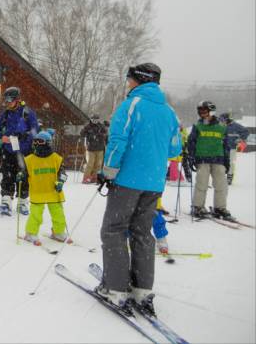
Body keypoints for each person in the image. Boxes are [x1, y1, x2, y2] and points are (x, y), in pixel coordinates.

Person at [96, 63, 181, 315]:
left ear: (140, 80)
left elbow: (118, 140)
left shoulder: (131, 106)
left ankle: (117, 290)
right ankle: (142, 290)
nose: (128, 83)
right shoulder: (169, 112)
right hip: (153, 183)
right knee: (142, 233)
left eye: (130, 78)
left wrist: (108, 171)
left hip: (127, 181)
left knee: (114, 230)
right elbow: (175, 149)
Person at [0, 86, 39, 215]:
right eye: (5, 100)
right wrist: (1, 137)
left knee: (23, 177)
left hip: (24, 151)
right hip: (9, 150)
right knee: (7, 176)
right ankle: (6, 201)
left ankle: (23, 202)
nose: (7, 103)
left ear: (17, 100)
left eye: (9, 100)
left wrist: (24, 135)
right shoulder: (5, 114)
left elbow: (35, 131)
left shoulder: (27, 113)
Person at [19, 131, 70, 245]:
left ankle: (58, 232)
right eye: (35, 141)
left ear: (48, 143)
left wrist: (60, 182)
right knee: (36, 214)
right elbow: (24, 173)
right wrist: (21, 176)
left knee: (58, 213)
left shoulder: (56, 158)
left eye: (40, 141)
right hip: (38, 192)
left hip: (53, 191)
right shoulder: (29, 159)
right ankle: (30, 233)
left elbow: (62, 173)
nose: (37, 144)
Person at [186, 101, 233, 220]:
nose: (202, 113)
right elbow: (191, 142)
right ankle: (197, 206)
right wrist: (191, 157)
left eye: (204, 111)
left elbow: (226, 144)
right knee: (202, 183)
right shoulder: (197, 126)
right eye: (200, 111)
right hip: (202, 159)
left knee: (221, 185)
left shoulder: (222, 126)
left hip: (219, 159)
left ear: (211, 111)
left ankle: (220, 208)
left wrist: (227, 160)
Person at [219, 112, 249, 185]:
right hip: (223, 148)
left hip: (232, 147)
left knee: (231, 163)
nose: (221, 121)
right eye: (221, 120)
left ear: (227, 119)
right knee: (221, 163)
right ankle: (221, 177)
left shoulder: (236, 126)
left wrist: (240, 139)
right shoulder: (222, 126)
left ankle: (229, 178)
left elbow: (246, 131)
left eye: (222, 119)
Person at [80, 114, 107, 184]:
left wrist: (103, 136)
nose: (95, 121)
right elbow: (82, 134)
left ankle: (94, 178)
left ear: (98, 120)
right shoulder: (88, 126)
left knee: (98, 164)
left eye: (96, 119)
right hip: (91, 149)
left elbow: (106, 134)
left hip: (100, 148)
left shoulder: (101, 126)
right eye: (93, 119)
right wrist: (84, 130)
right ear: (91, 119)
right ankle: (86, 178)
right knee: (90, 163)